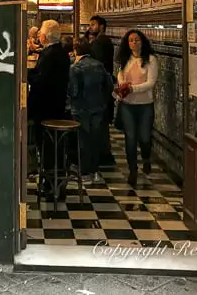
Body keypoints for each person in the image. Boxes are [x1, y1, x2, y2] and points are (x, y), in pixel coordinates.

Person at [27, 20, 71, 200]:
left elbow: (41, 81)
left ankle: (51, 184)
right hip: (57, 105)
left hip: (45, 108)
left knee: (46, 146)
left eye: (39, 35)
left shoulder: (49, 54)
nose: (38, 37)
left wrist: (27, 75)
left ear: (44, 36)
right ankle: (55, 182)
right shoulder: (60, 52)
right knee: (55, 148)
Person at [115, 29, 159, 187]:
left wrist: (133, 88)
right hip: (128, 105)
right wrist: (122, 85)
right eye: (131, 40)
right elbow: (120, 74)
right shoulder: (126, 59)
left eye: (137, 40)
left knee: (145, 137)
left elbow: (151, 83)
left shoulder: (150, 60)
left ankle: (146, 157)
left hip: (145, 105)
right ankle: (132, 169)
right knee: (131, 137)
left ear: (142, 41)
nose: (134, 43)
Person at [67, 38, 113, 185]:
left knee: (83, 140)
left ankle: (85, 172)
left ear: (75, 51)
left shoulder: (75, 68)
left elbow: (73, 91)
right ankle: (95, 170)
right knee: (95, 139)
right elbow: (109, 84)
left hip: (81, 108)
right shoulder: (98, 65)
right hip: (98, 107)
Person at [88, 16, 116, 167]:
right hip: (105, 85)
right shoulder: (104, 40)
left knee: (100, 122)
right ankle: (105, 154)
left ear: (102, 26)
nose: (90, 27)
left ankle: (102, 155)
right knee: (102, 122)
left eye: (93, 25)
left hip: (101, 87)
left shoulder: (100, 42)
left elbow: (96, 64)